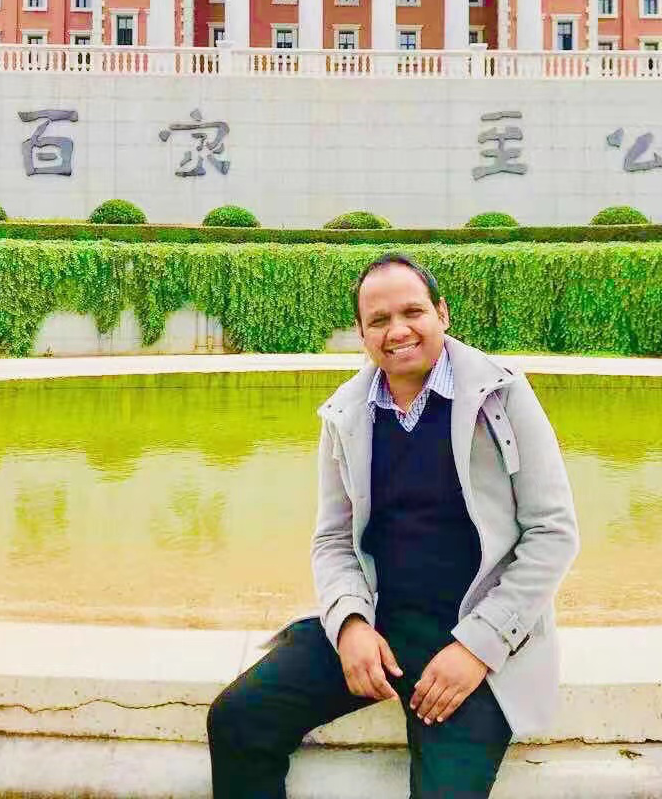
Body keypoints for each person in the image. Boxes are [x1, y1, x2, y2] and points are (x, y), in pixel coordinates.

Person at [207, 252, 579, 799]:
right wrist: (351, 625)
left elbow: (552, 532)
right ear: (361, 334)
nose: (398, 331)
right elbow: (334, 539)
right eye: (378, 320)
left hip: (473, 639)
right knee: (238, 720)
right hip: (380, 629)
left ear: (441, 314)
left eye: (413, 312)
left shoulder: (503, 396)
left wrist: (478, 647)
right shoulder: (346, 413)